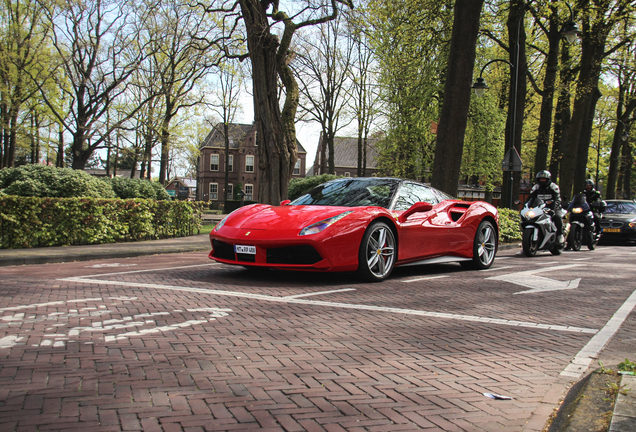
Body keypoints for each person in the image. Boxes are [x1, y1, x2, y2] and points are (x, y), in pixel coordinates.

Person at [528, 170, 564, 243]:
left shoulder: (554, 187)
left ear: (548, 179)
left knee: (557, 217)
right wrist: (526, 205)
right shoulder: (536, 187)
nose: (542, 181)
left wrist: (555, 205)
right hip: (539, 208)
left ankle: (560, 235)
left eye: (544, 179)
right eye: (541, 179)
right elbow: (530, 198)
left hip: (553, 207)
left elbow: (557, 198)